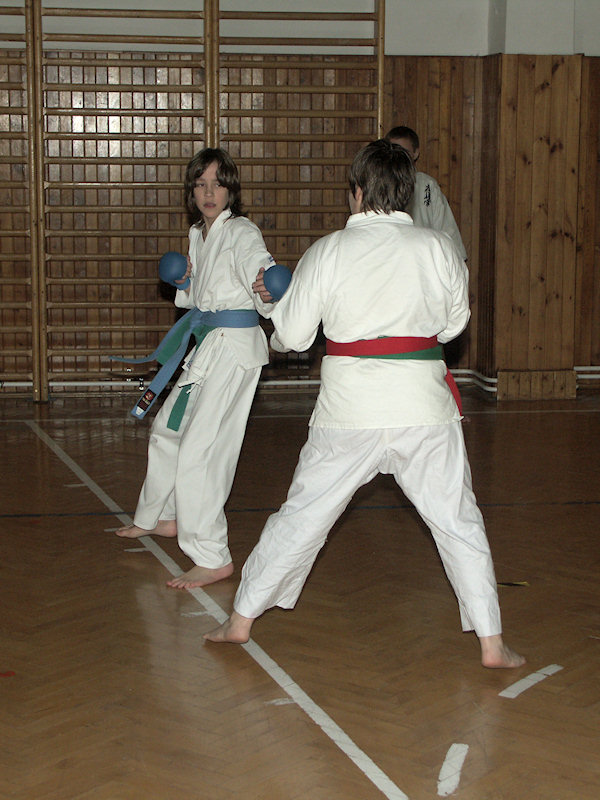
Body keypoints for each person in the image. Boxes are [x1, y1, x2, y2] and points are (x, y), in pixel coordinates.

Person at [205, 139, 525, 669]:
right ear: (407, 193)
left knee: (302, 515)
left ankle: (240, 620)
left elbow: (293, 337)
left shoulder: (328, 251)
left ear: (356, 192)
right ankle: (491, 642)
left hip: (349, 412)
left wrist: (278, 306)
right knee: (458, 521)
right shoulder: (437, 248)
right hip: (422, 409)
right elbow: (453, 326)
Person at [116, 147, 277, 590]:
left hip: (235, 352)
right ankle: (163, 516)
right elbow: (195, 297)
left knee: (201, 451)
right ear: (192, 192)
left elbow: (260, 272)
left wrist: (267, 285)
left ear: (231, 191)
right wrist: (184, 282)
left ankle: (212, 555)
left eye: (217, 185)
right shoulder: (198, 234)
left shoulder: (242, 231)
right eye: (201, 185)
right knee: (167, 429)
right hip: (207, 346)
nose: (209, 193)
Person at [386, 125, 467, 260]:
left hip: (423, 257)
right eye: (395, 151)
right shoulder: (380, 186)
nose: (399, 157)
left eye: (404, 152)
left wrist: (456, 260)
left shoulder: (427, 185)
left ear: (415, 153)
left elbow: (448, 231)